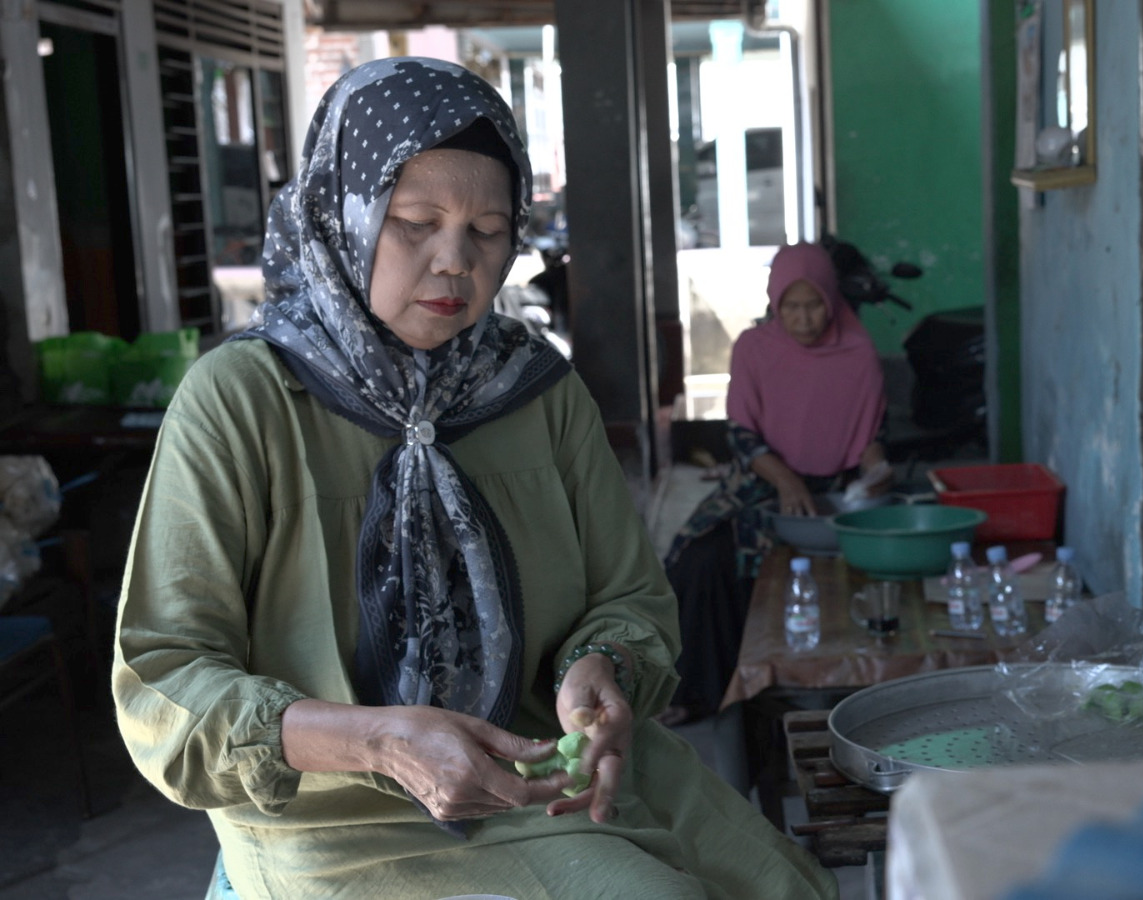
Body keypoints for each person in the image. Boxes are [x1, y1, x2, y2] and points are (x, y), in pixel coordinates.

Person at [111, 58, 836, 900]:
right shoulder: (243, 400)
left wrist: (602, 670)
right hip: (335, 817)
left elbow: (630, 599)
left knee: (785, 886)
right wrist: (377, 742)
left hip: (550, 780)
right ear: (343, 214)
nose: (455, 260)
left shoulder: (537, 391)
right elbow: (164, 682)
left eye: (489, 231)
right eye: (416, 221)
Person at [660, 243, 889, 724]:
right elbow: (742, 435)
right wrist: (785, 481)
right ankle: (699, 693)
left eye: (813, 306)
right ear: (774, 303)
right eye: (791, 306)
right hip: (760, 483)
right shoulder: (754, 348)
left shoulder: (859, 352)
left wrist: (875, 472)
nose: (803, 319)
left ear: (831, 300)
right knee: (697, 560)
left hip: (830, 496)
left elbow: (870, 437)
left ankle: (808, 690)